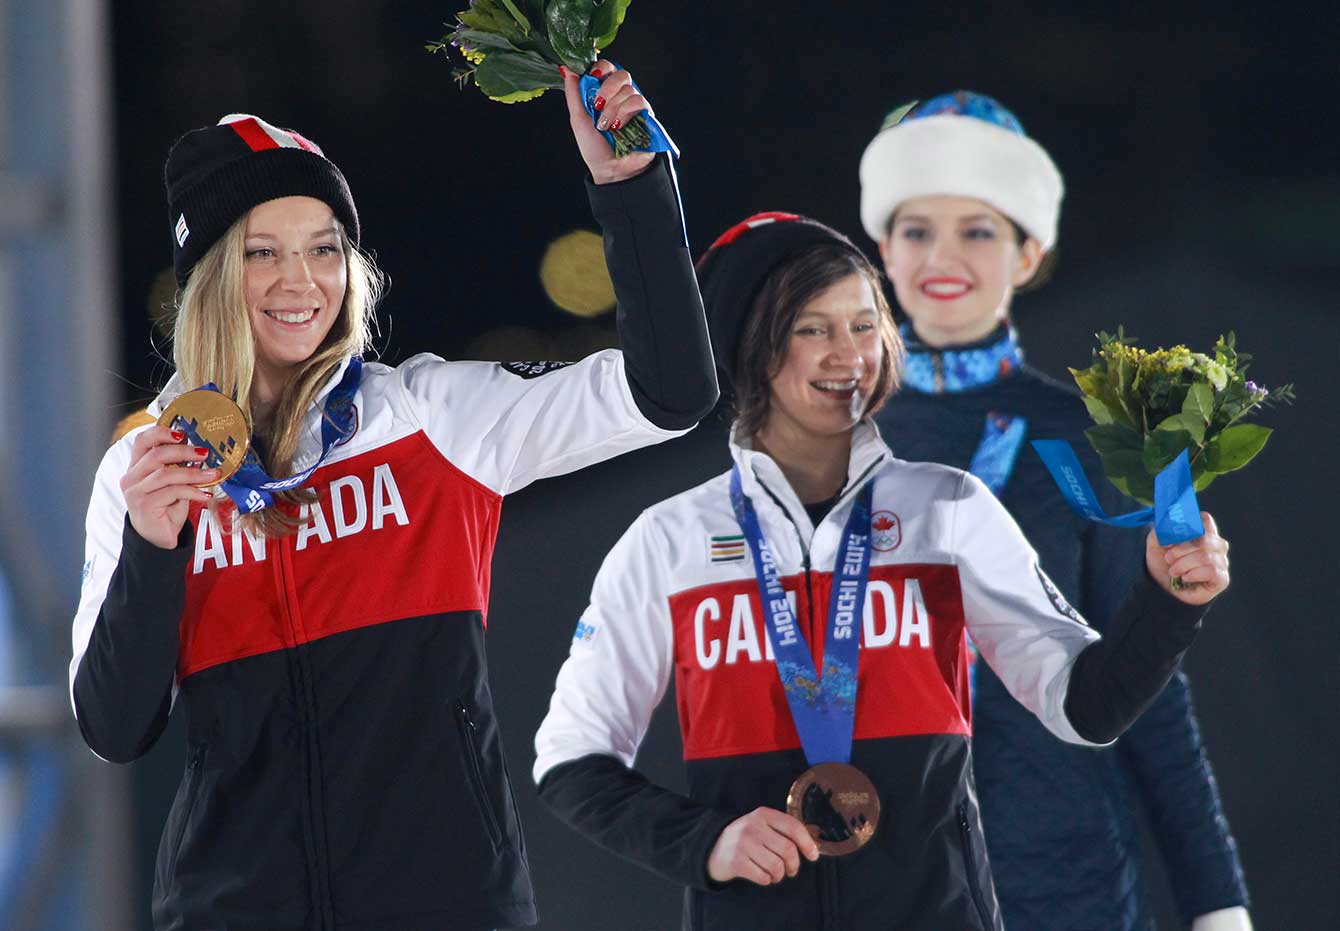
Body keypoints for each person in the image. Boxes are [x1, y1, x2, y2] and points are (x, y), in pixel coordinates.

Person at [69, 62, 717, 931]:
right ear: (213, 275)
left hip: (446, 905)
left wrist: (631, 182)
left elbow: (670, 394)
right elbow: (115, 726)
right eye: (262, 251)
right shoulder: (146, 468)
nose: (301, 281)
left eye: (324, 247)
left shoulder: (428, 416)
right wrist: (154, 549)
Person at [532, 212, 1233, 930]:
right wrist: (706, 840)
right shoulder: (669, 542)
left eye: (865, 325)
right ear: (748, 347)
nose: (850, 355)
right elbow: (569, 759)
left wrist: (1168, 603)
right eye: (813, 329)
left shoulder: (947, 508)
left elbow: (1085, 704)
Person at [860, 91, 1251, 931]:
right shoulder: (833, 438)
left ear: (1029, 252)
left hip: (1067, 880)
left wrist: (1217, 904)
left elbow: (1149, 690)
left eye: (979, 229)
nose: (944, 255)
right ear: (882, 247)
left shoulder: (1081, 434)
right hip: (886, 877)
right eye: (917, 228)